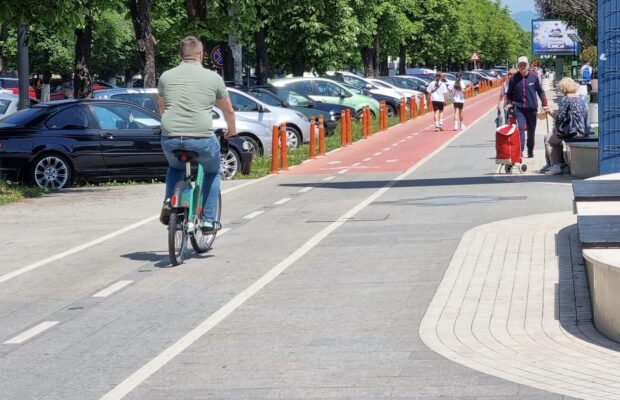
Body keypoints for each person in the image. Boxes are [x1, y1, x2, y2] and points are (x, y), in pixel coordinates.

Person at [158, 36, 236, 233]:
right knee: (212, 171)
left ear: (180, 55)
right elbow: (228, 111)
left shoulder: (166, 76)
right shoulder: (213, 78)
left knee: (175, 167)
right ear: (201, 55)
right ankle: (209, 221)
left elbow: (162, 108)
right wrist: (231, 130)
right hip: (201, 138)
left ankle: (169, 201)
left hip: (171, 138)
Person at [541, 77, 589, 175]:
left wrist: (555, 126)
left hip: (572, 131)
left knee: (551, 141)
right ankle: (560, 163)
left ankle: (555, 166)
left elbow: (561, 117)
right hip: (583, 130)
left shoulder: (566, 99)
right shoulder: (581, 98)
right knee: (556, 137)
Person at [506, 56, 550, 158]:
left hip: (532, 108)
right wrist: (509, 103)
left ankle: (530, 149)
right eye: (520, 65)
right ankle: (520, 150)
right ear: (518, 66)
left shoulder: (534, 77)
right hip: (519, 108)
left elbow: (541, 92)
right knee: (520, 128)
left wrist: (544, 104)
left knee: (531, 130)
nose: (522, 67)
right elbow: (509, 94)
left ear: (528, 65)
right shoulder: (513, 78)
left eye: (524, 65)